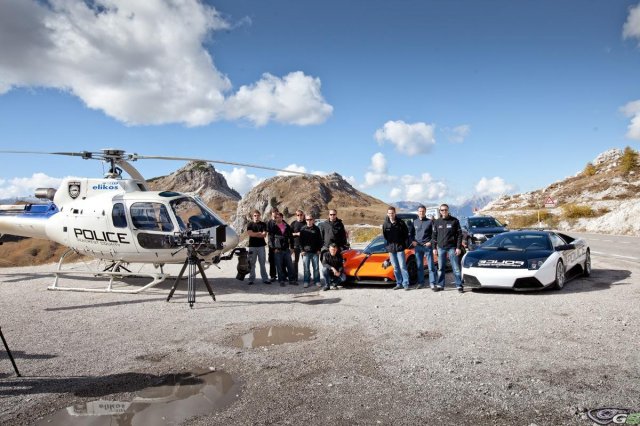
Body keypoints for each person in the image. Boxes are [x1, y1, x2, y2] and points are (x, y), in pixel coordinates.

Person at [431, 203, 464, 293]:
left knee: (456, 268)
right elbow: (434, 236)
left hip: (452, 247)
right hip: (440, 248)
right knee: (440, 268)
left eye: (445, 210)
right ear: (440, 211)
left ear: (448, 210)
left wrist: (458, 247)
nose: (444, 211)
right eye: (442, 210)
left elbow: (459, 235)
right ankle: (440, 285)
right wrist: (434, 248)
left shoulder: (454, 221)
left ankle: (459, 285)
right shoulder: (437, 222)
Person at [382, 206, 411, 290]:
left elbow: (406, 234)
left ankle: (405, 284)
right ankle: (399, 283)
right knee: (395, 268)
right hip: (391, 250)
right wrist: (389, 246)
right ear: (387, 214)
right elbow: (385, 236)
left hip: (400, 249)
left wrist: (403, 245)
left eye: (392, 213)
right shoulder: (385, 224)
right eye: (389, 213)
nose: (391, 214)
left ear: (395, 213)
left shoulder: (401, 223)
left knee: (402, 267)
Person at [412, 205, 436, 289]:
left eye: (423, 211)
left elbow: (434, 234)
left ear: (425, 212)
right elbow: (411, 234)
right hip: (418, 247)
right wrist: (413, 241)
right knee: (419, 266)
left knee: (431, 266)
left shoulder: (430, 222)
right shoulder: (414, 222)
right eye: (420, 211)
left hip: (427, 247)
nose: (421, 213)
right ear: (418, 212)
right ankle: (421, 283)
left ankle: (432, 283)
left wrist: (430, 242)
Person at [269, 212, 296, 286]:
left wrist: (292, 247)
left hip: (286, 249)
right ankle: (281, 280)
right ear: (275, 218)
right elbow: (270, 239)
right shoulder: (273, 227)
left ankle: (292, 280)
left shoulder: (287, 226)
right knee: (279, 266)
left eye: (280, 217)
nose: (278, 218)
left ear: (282, 217)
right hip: (277, 250)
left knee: (290, 265)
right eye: (277, 217)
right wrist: (273, 248)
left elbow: (291, 238)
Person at [245, 210, 271, 285]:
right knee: (252, 263)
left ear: (260, 216)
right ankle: (251, 279)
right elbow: (250, 234)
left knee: (262, 263)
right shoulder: (250, 224)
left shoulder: (263, 224)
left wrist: (255, 234)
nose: (256, 217)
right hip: (252, 247)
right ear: (252, 216)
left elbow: (264, 235)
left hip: (261, 247)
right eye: (255, 215)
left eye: (258, 215)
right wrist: (259, 233)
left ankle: (265, 279)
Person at [299, 215, 323, 288]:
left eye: (310, 219)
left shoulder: (317, 229)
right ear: (305, 220)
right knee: (306, 269)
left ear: (313, 220)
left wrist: (319, 249)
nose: (309, 221)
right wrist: (302, 250)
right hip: (305, 253)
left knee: (316, 268)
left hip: (315, 252)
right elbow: (300, 241)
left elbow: (320, 240)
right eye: (307, 219)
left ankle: (317, 281)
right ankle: (306, 281)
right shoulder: (303, 229)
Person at [289, 209, 306, 283]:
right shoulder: (293, 223)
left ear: (303, 215)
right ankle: (295, 277)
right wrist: (297, 234)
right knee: (295, 262)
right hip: (295, 246)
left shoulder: (306, 223)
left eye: (301, 215)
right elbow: (289, 234)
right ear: (296, 216)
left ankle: (307, 277)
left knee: (305, 262)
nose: (299, 216)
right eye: (298, 215)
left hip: (304, 247)